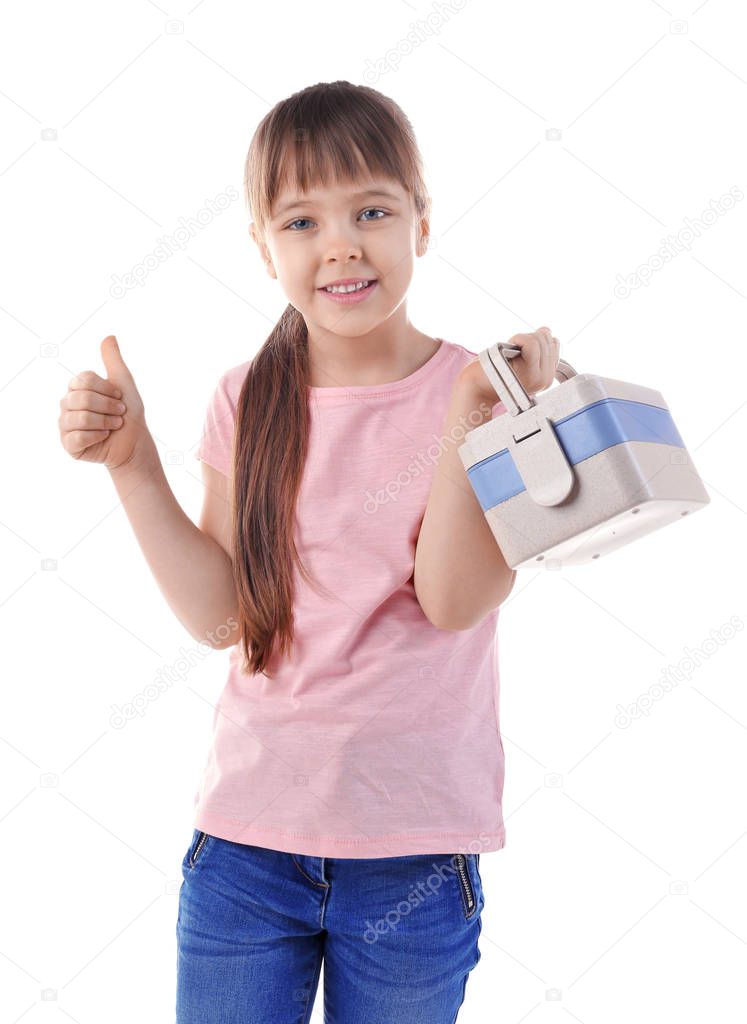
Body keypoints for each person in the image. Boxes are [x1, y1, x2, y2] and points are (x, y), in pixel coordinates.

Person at [58, 79, 559, 1024]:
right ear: (261, 247)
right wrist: (132, 469)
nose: (340, 244)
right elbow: (227, 620)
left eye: (371, 209)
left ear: (421, 219)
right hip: (246, 854)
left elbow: (452, 600)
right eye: (300, 221)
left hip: (411, 857)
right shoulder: (246, 397)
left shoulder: (481, 393)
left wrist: (467, 423)